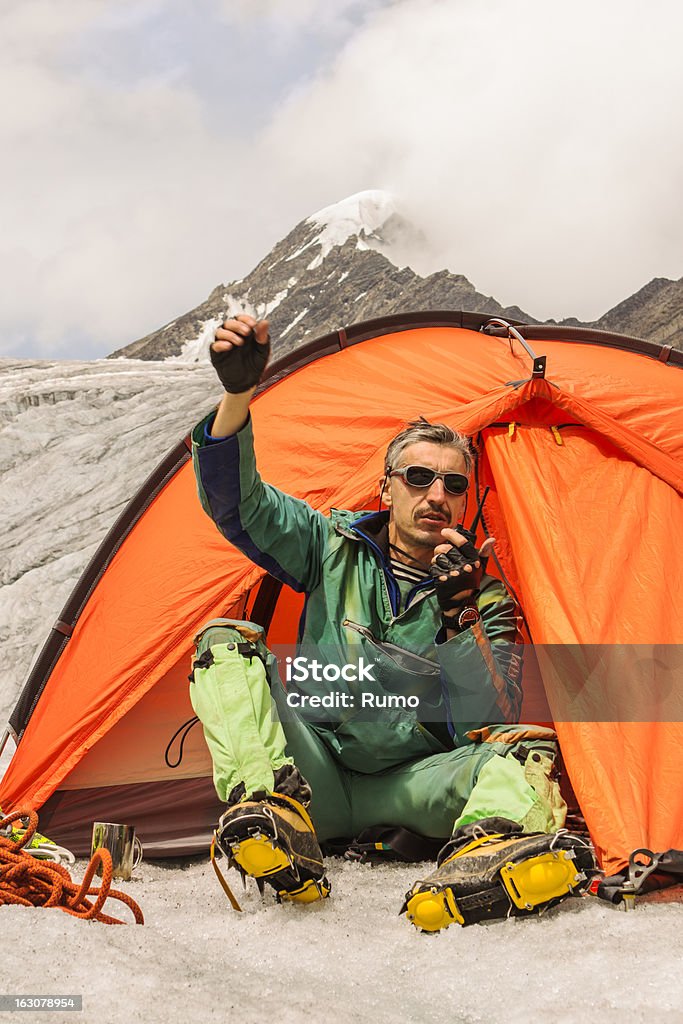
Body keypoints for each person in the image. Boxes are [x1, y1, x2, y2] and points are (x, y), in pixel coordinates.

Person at [189, 314, 595, 930]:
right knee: (223, 643)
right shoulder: (327, 545)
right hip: (314, 773)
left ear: (467, 501)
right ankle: (270, 818)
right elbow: (238, 505)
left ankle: (486, 862)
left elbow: (484, 729)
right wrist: (238, 395)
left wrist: (460, 620)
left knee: (524, 752)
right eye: (419, 477)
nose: (436, 493)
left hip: (411, 784)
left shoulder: (486, 599)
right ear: (387, 489)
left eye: (454, 484)